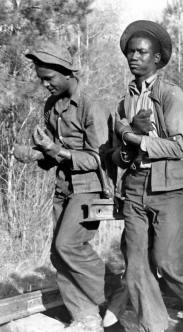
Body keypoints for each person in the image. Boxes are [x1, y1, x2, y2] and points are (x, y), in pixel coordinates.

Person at [111, 20, 183, 331]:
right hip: (135, 186)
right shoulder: (125, 100)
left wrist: (136, 138)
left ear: (157, 58)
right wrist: (127, 146)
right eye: (130, 52)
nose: (134, 57)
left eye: (141, 52)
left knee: (167, 260)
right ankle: (154, 324)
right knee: (136, 264)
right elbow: (117, 154)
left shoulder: (172, 95)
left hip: (171, 189)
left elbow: (181, 146)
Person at [14, 42, 109, 331]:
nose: (44, 85)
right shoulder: (51, 106)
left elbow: (97, 158)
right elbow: (51, 153)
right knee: (58, 254)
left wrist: (54, 149)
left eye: (49, 78)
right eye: (41, 79)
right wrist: (31, 153)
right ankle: (86, 316)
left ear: (67, 73)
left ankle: (114, 293)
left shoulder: (92, 106)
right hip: (64, 186)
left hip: (92, 188)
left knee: (68, 244)